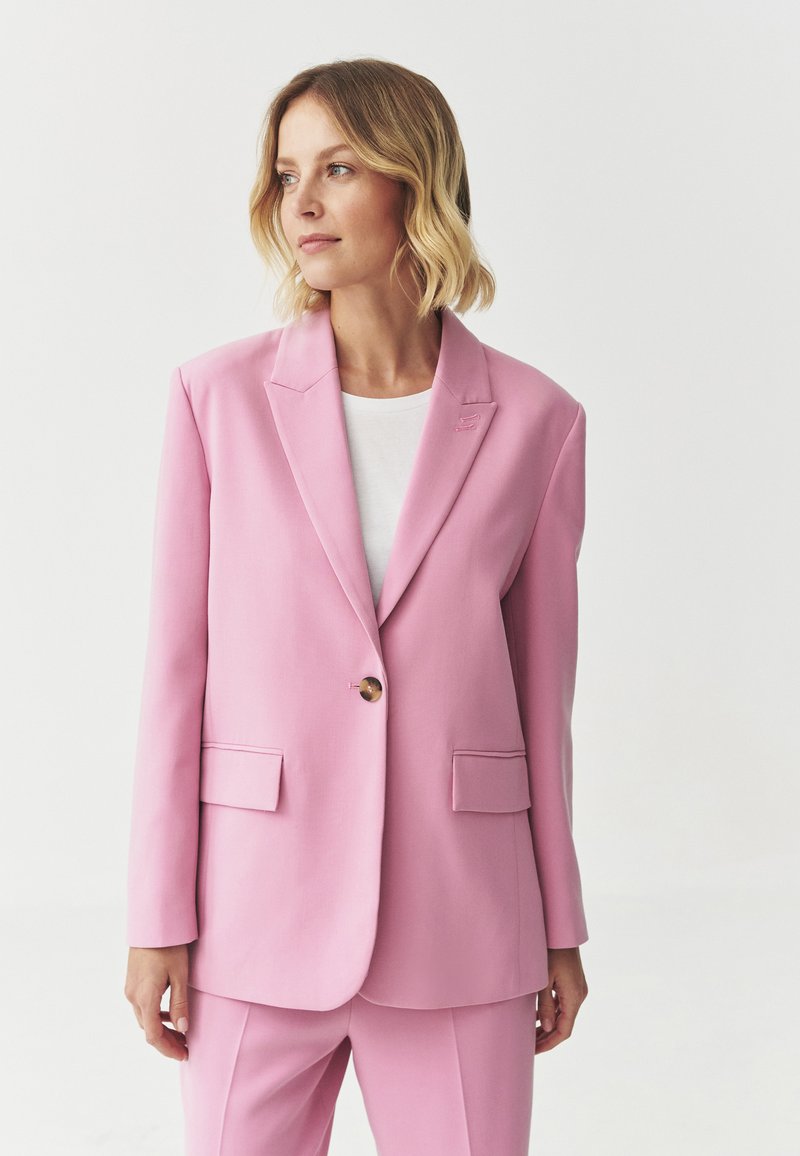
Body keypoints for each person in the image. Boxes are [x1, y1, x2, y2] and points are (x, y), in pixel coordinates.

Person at [124, 56, 590, 1156]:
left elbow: (543, 698)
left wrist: (557, 925)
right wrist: (157, 916)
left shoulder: (538, 420)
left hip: (462, 925)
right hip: (250, 919)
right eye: (287, 175)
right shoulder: (216, 399)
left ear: (413, 183)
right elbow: (175, 673)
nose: (302, 202)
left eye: (337, 168)